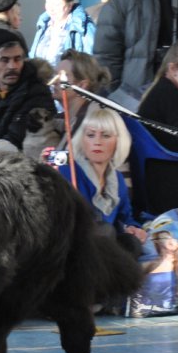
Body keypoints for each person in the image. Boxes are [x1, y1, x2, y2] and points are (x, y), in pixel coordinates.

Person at [138, 36, 178, 270]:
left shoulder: (163, 90)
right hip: (169, 185)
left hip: (161, 176)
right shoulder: (170, 96)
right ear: (173, 68)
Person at [58, 105, 146, 256]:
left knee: (131, 243)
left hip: (103, 251)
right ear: (82, 139)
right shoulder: (68, 171)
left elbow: (126, 218)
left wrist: (132, 228)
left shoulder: (117, 179)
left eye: (105, 136)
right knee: (104, 231)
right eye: (91, 135)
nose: (97, 142)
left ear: (118, 141)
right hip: (71, 251)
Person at [24, 48, 112, 159]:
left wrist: (41, 157)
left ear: (81, 85)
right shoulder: (64, 120)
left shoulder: (93, 122)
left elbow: (76, 162)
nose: (54, 81)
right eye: (54, 75)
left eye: (61, 76)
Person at [30, 0, 96, 67]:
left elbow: (92, 64)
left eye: (57, 5)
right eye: (48, 2)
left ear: (69, 5)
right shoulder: (43, 24)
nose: (51, 8)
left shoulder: (83, 28)